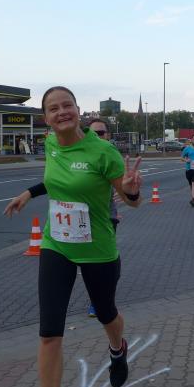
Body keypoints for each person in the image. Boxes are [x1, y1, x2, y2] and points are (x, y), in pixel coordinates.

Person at [4, 86, 143, 387]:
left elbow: (132, 201)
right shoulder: (51, 144)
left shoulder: (103, 152)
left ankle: (118, 349)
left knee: (107, 313)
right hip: (57, 246)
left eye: (67, 105)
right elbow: (55, 178)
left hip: (97, 250)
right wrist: (28, 193)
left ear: (78, 110)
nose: (61, 112)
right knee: (50, 332)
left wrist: (131, 191)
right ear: (46, 118)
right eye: (54, 108)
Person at [85, 118, 118, 318]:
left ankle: (99, 302)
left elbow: (123, 185)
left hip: (107, 217)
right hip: (81, 219)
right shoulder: (81, 153)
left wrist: (127, 191)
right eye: (93, 133)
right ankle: (97, 299)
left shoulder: (111, 154)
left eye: (101, 133)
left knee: (104, 264)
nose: (97, 136)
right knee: (90, 263)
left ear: (107, 135)